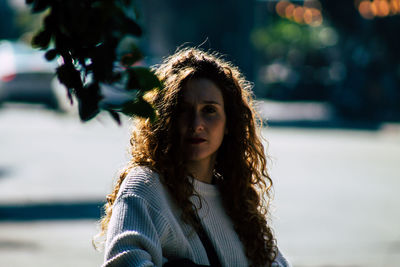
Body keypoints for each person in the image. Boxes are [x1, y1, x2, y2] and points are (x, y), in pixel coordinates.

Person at [96, 47, 291, 267]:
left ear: (229, 123)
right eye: (183, 109)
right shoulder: (146, 186)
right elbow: (123, 262)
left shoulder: (237, 201)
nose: (196, 124)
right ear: (166, 119)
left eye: (209, 110)